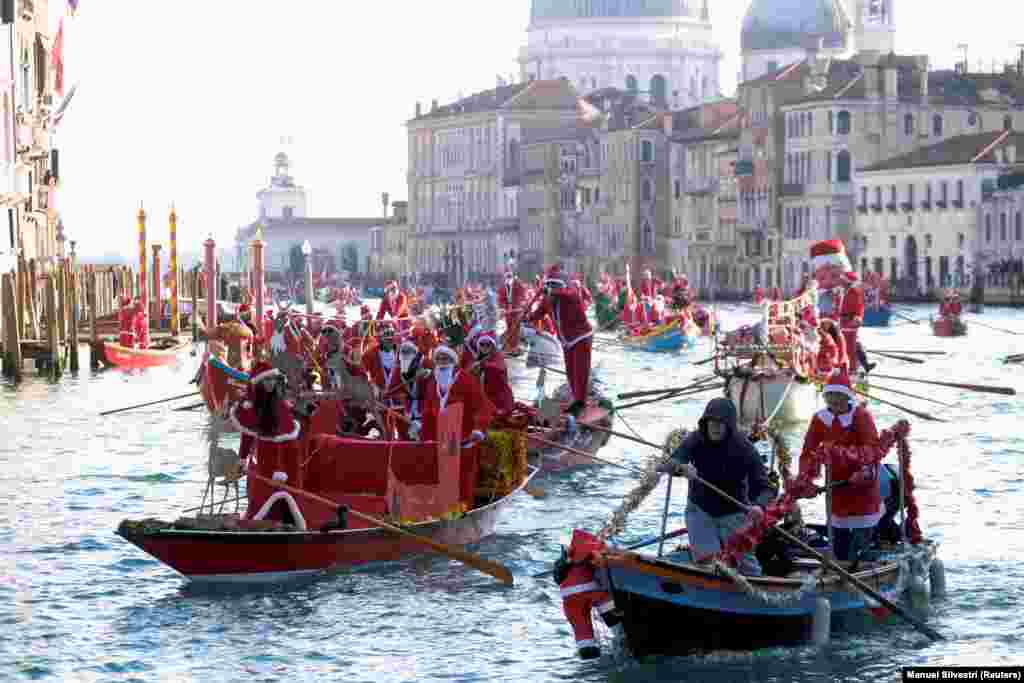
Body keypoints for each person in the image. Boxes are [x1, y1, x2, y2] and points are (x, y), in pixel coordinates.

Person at [658, 397, 775, 576]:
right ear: (705, 422)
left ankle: (757, 591)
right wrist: (681, 469)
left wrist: (759, 506)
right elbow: (667, 464)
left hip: (734, 512)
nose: (715, 427)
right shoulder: (695, 438)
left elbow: (766, 488)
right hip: (700, 510)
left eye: (721, 423)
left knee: (746, 568)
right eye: (711, 421)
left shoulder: (744, 448)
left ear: (729, 426)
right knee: (707, 563)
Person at [798, 369, 884, 564]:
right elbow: (808, 451)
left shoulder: (862, 416)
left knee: (862, 540)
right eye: (830, 397)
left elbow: (871, 448)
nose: (834, 402)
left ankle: (864, 562)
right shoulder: (820, 419)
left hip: (862, 484)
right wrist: (805, 478)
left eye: (839, 397)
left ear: (847, 397)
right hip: (836, 485)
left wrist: (863, 471)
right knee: (839, 538)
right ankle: (841, 565)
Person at [416, 345, 496, 507]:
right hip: (442, 440)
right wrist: (421, 429)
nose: (442, 362)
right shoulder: (433, 382)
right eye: (439, 359)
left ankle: (463, 509)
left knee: (464, 478)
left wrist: (478, 430)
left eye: (446, 359)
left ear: (454, 361)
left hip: (465, 439)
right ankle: (443, 506)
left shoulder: (466, 380)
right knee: (442, 476)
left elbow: (482, 407)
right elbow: (428, 411)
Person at [527, 264, 593, 415]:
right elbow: (537, 314)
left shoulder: (571, 294)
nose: (551, 289)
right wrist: (527, 318)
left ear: (561, 285)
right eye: (549, 284)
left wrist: (552, 290)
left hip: (580, 337)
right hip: (566, 340)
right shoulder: (547, 300)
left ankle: (580, 403)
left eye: (555, 285)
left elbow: (566, 294)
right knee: (570, 371)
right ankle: (576, 398)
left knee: (580, 370)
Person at [471, 333, 515, 414]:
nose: (484, 347)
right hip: (485, 398)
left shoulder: (498, 358)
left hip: (500, 401)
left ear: (493, 346)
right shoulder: (478, 359)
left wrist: (483, 365)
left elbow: (499, 368)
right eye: (482, 344)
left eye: (488, 344)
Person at [498, 270, 528, 354]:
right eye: (506, 277)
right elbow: (501, 299)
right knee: (509, 328)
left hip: (516, 310)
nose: (508, 278)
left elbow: (522, 295)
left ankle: (515, 347)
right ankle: (510, 347)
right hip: (508, 311)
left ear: (512, 276)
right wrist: (503, 308)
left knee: (515, 328)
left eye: (509, 276)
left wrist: (520, 304)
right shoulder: (503, 286)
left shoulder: (518, 284)